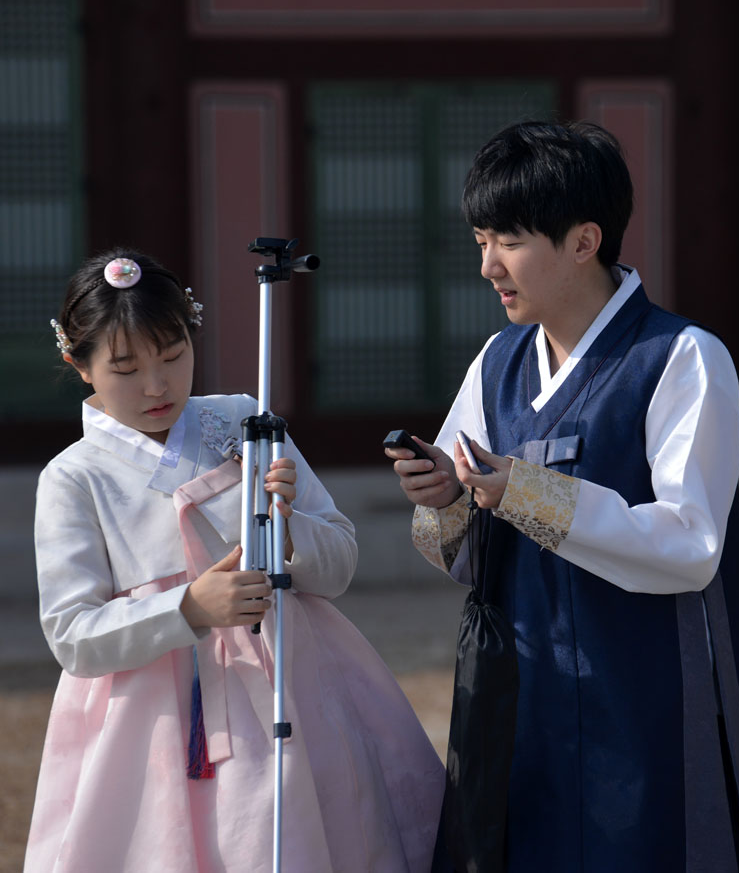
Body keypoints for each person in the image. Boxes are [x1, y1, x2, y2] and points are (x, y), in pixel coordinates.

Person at [386, 121, 739, 872]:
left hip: (646, 693)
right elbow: (465, 554)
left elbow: (692, 544)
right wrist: (444, 496)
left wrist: (526, 492)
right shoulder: (497, 362)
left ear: (584, 241)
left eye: (508, 241)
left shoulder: (681, 358)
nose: (487, 266)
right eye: (480, 240)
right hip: (522, 694)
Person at [27, 250, 443, 873]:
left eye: (173, 355)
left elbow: (339, 564)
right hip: (156, 721)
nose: (157, 385)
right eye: (125, 368)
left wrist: (288, 526)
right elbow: (71, 635)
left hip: (295, 685)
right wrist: (189, 607)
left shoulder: (244, 419)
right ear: (79, 365)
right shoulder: (74, 477)